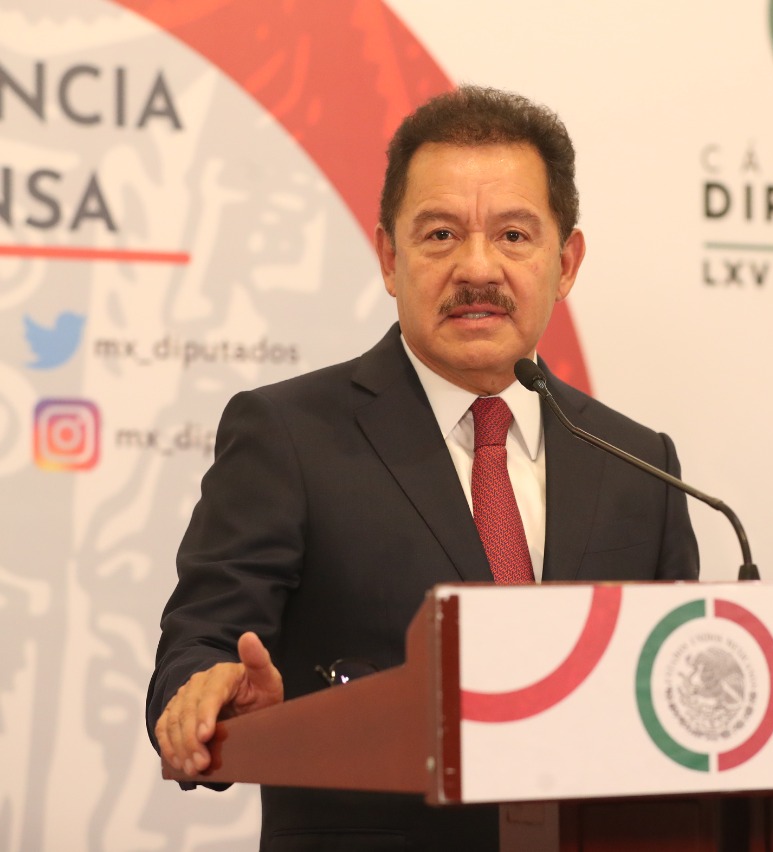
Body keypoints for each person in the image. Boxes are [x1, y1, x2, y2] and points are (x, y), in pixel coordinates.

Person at [146, 86, 699, 851]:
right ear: (389, 257)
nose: (478, 267)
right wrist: (213, 700)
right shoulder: (290, 435)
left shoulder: (640, 466)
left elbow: (678, 696)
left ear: (566, 262)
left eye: (513, 235)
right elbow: (202, 643)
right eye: (440, 234)